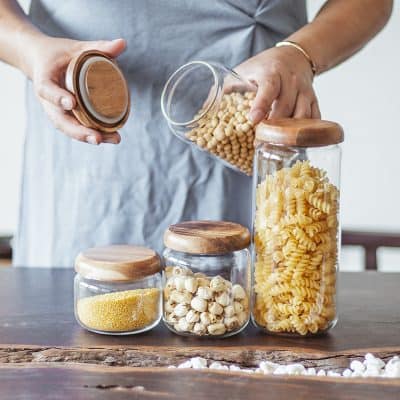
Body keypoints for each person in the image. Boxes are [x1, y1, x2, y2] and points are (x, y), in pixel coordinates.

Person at [0, 0, 392, 267]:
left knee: (257, 333)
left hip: (254, 118)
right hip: (88, 153)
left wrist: (300, 54)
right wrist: (28, 49)